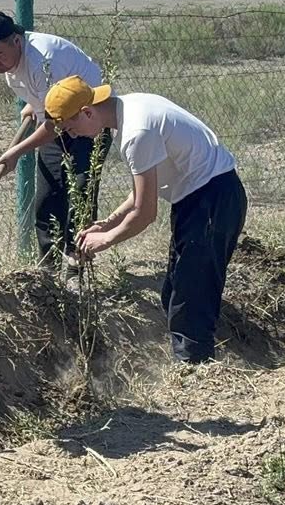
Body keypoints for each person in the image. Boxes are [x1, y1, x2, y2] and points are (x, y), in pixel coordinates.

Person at [44, 77, 247, 365]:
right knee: (175, 291)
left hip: (212, 199)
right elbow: (146, 186)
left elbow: (145, 213)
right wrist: (109, 222)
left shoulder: (136, 131)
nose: (73, 136)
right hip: (199, 198)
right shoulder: (128, 110)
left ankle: (197, 370)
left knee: (192, 294)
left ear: (88, 112)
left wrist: (104, 240)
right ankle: (191, 361)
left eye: (71, 128)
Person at [0, 10, 106, 262]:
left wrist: (15, 152)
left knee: (78, 195)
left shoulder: (44, 60)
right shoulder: (12, 62)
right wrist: (35, 103)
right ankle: (49, 269)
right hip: (58, 118)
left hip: (90, 120)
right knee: (47, 198)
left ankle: (77, 268)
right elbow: (48, 105)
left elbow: (53, 124)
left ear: (16, 40)